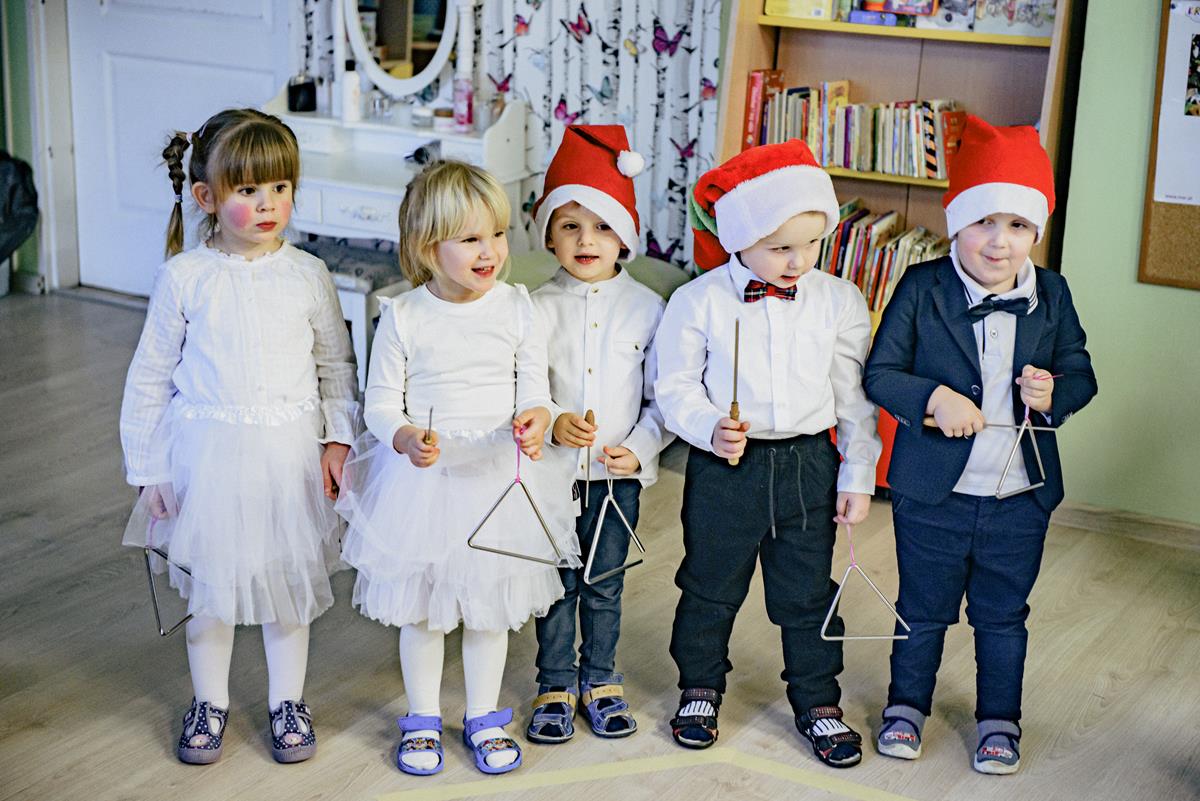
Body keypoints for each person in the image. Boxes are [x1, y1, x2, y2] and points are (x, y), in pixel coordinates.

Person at [120, 108, 358, 765]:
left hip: (288, 457)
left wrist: (338, 439)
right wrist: (149, 468)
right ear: (206, 197)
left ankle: (288, 701)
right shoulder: (185, 278)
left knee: (288, 587)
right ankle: (210, 702)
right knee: (211, 591)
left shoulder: (308, 274)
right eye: (248, 190)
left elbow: (335, 365)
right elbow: (149, 379)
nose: (268, 203)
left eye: (280, 187)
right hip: (207, 460)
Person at [863, 115, 1098, 775]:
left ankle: (999, 721)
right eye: (983, 222)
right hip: (932, 494)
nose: (999, 241)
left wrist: (1053, 392)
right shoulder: (921, 286)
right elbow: (880, 373)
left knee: (1003, 615)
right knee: (922, 608)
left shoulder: (1053, 295)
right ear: (955, 223)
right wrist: (933, 399)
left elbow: (1080, 373)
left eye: (1018, 225)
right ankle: (906, 707)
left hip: (1019, 495)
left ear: (1036, 231)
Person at [336, 160, 577, 776]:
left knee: (489, 606)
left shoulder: (517, 307)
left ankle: (483, 716)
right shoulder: (403, 316)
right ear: (428, 247)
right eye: (470, 239)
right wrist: (405, 436)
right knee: (422, 608)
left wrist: (536, 418)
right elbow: (380, 404)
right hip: (427, 481)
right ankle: (421, 718)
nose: (490, 251)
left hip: (498, 477)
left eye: (497, 234)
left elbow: (536, 390)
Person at [655, 139, 881, 767]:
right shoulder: (697, 301)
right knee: (709, 584)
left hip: (809, 464)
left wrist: (857, 472)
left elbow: (853, 397)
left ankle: (818, 700)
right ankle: (700, 688)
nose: (798, 260)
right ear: (739, 239)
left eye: (811, 243)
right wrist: (708, 427)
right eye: (780, 247)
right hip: (727, 466)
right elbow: (673, 387)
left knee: (807, 591)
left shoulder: (839, 300)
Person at [526, 125, 672, 743]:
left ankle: (602, 679)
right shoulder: (532, 308)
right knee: (557, 585)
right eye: (570, 226)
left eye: (603, 226)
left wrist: (638, 448)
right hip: (552, 478)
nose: (587, 240)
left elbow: (663, 400)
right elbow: (525, 389)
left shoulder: (649, 309)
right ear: (549, 235)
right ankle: (555, 682)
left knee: (604, 584)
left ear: (625, 237)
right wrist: (553, 419)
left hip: (616, 480)